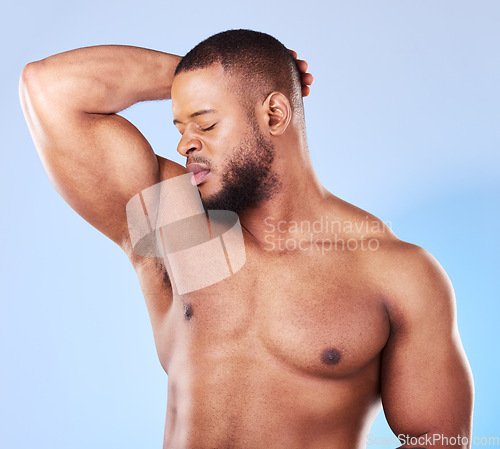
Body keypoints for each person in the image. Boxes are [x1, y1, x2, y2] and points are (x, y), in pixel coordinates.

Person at [20, 29, 473, 449]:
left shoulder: (394, 272)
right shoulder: (177, 227)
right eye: (181, 127)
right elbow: (48, 88)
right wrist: (213, 80)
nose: (185, 145)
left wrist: (247, 79)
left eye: (206, 122)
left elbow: (439, 440)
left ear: (274, 113)